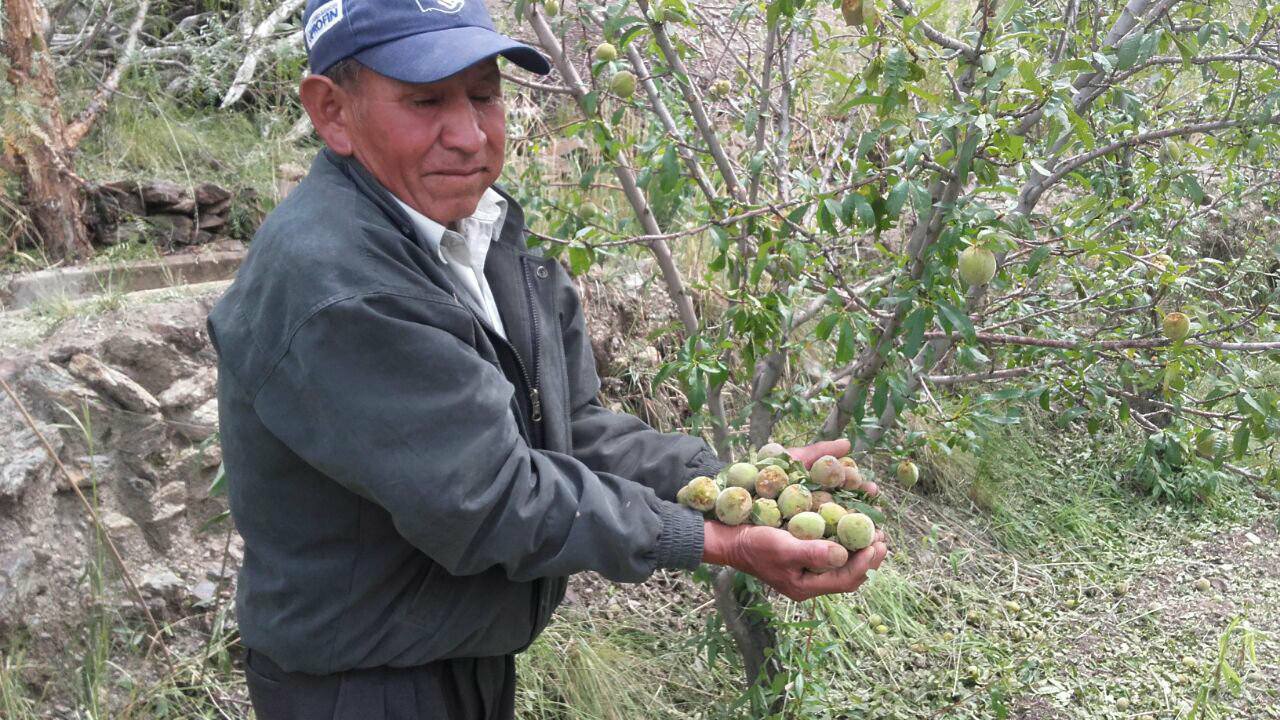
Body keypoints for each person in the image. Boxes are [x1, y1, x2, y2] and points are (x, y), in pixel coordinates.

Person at [206, 0, 889, 717]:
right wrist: (710, 538)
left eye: (484, 95)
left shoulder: (480, 229)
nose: (469, 135)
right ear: (333, 112)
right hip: (361, 687)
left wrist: (726, 482)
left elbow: (573, 429)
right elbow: (490, 498)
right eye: (425, 100)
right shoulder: (337, 287)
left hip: (451, 658)